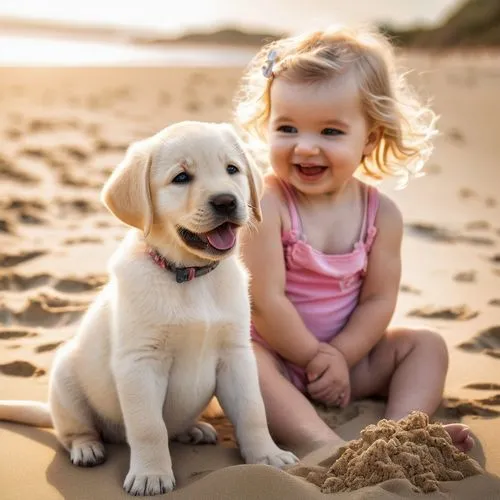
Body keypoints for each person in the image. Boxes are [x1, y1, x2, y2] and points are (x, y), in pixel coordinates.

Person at [234, 25, 474, 455]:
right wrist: (313, 358)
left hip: (348, 359)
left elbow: (378, 302)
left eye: (330, 132)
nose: (305, 147)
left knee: (425, 346)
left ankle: (402, 433)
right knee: (241, 360)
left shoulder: (381, 214)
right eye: (287, 128)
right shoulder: (267, 203)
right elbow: (264, 302)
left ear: (370, 138)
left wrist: (340, 356)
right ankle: (322, 444)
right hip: (277, 356)